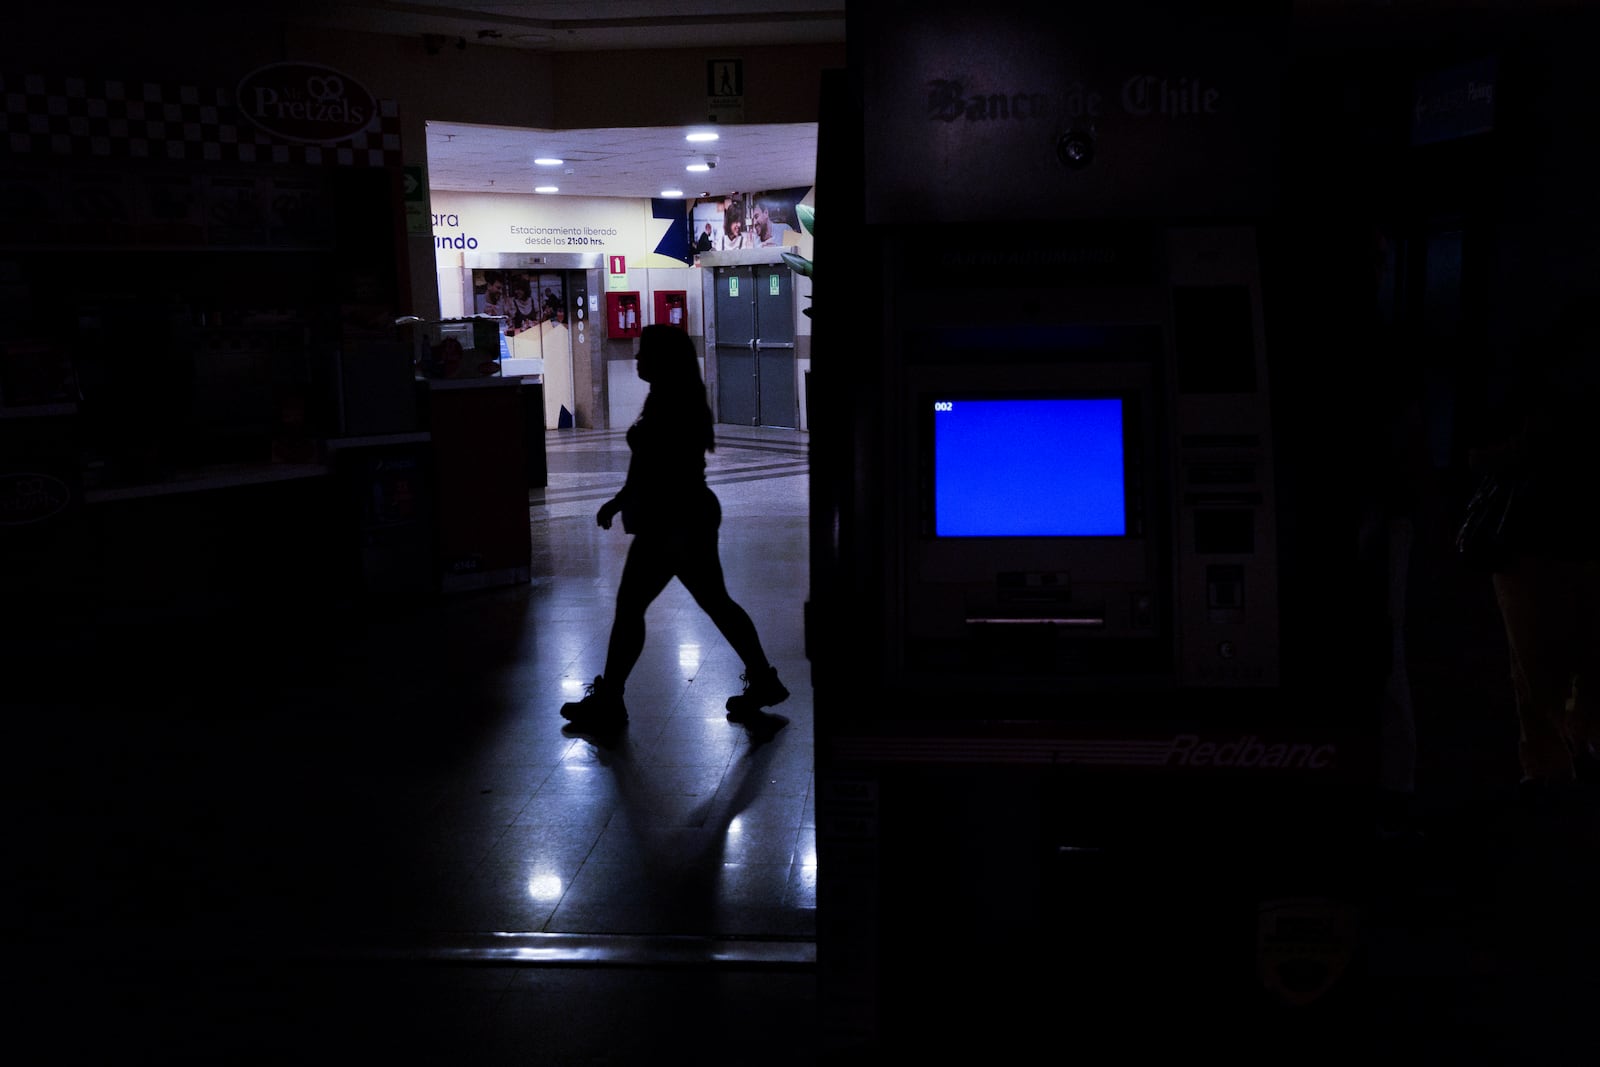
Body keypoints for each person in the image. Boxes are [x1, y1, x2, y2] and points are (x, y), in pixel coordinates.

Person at [561, 324, 789, 735]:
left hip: (674, 520)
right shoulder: (668, 396)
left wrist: (631, 503)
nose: (635, 360)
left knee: (635, 607)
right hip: (684, 515)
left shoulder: (672, 402)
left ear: (662, 359)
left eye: (643, 353)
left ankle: (611, 699)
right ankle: (763, 680)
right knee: (714, 603)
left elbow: (659, 467)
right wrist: (620, 499)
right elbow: (647, 463)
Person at [1479, 298, 1600, 799]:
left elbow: (1478, 457)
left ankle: (1551, 763)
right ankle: (1574, 746)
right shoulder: (1539, 400)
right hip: (1565, 544)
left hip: (1529, 547)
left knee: (1533, 665)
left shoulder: (1528, 396)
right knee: (1563, 661)